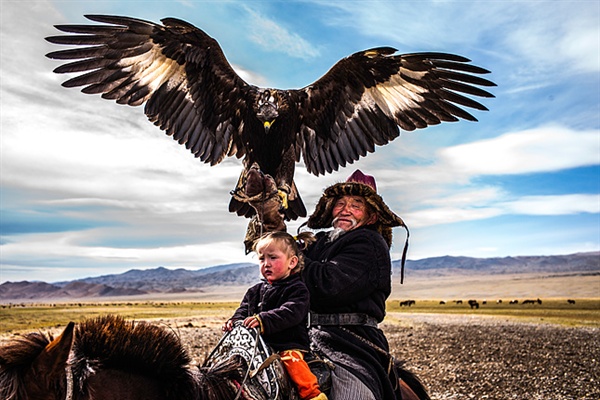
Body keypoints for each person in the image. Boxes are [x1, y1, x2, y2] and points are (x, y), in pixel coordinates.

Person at [299, 169, 410, 400]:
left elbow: (329, 285)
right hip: (303, 336)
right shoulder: (318, 241)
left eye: (356, 204)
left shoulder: (369, 242)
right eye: (340, 203)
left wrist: (292, 259)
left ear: (371, 217)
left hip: (350, 342)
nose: (345, 209)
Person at [223, 231, 327, 400]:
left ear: (292, 262)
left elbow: (291, 311)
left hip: (287, 344)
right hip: (256, 349)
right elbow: (243, 310)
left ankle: (312, 395)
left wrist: (263, 320)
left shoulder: (297, 289)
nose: (266, 264)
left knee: (293, 364)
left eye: (273, 257)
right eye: (262, 259)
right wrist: (234, 322)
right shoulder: (254, 291)